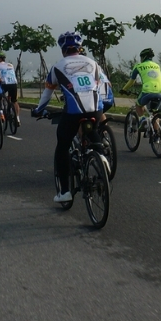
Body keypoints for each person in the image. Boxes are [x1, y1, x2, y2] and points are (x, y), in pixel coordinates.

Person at [31, 31, 107, 204]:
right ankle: (102, 158)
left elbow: (47, 94)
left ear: (63, 49)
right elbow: (99, 85)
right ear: (80, 47)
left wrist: (38, 110)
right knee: (94, 133)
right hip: (95, 110)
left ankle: (65, 191)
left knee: (63, 146)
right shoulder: (93, 63)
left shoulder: (58, 66)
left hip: (73, 113)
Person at [126, 48, 161, 117]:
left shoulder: (138, 66)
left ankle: (142, 121)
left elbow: (131, 81)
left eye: (141, 57)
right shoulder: (157, 66)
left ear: (143, 57)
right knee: (154, 114)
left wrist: (124, 89)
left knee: (138, 105)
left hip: (147, 91)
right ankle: (156, 127)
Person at [0, 53, 20, 124]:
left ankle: (2, 108)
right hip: (14, 83)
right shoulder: (10, 65)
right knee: (14, 101)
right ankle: (17, 118)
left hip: (4, 84)